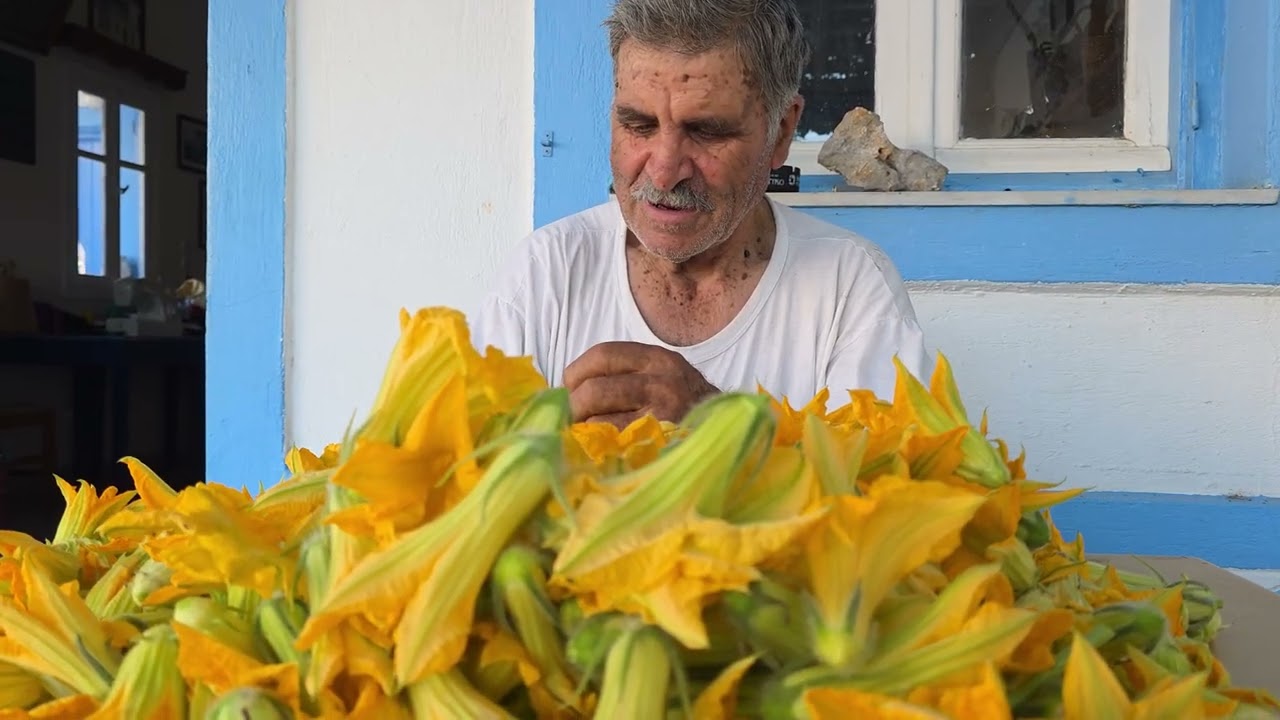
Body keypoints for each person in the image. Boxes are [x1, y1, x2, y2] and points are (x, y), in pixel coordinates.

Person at [474, 0, 931, 429]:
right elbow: (467, 473)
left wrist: (714, 423)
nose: (664, 171)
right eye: (638, 125)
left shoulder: (850, 287)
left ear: (781, 132)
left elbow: (882, 480)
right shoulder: (544, 275)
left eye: (707, 131)